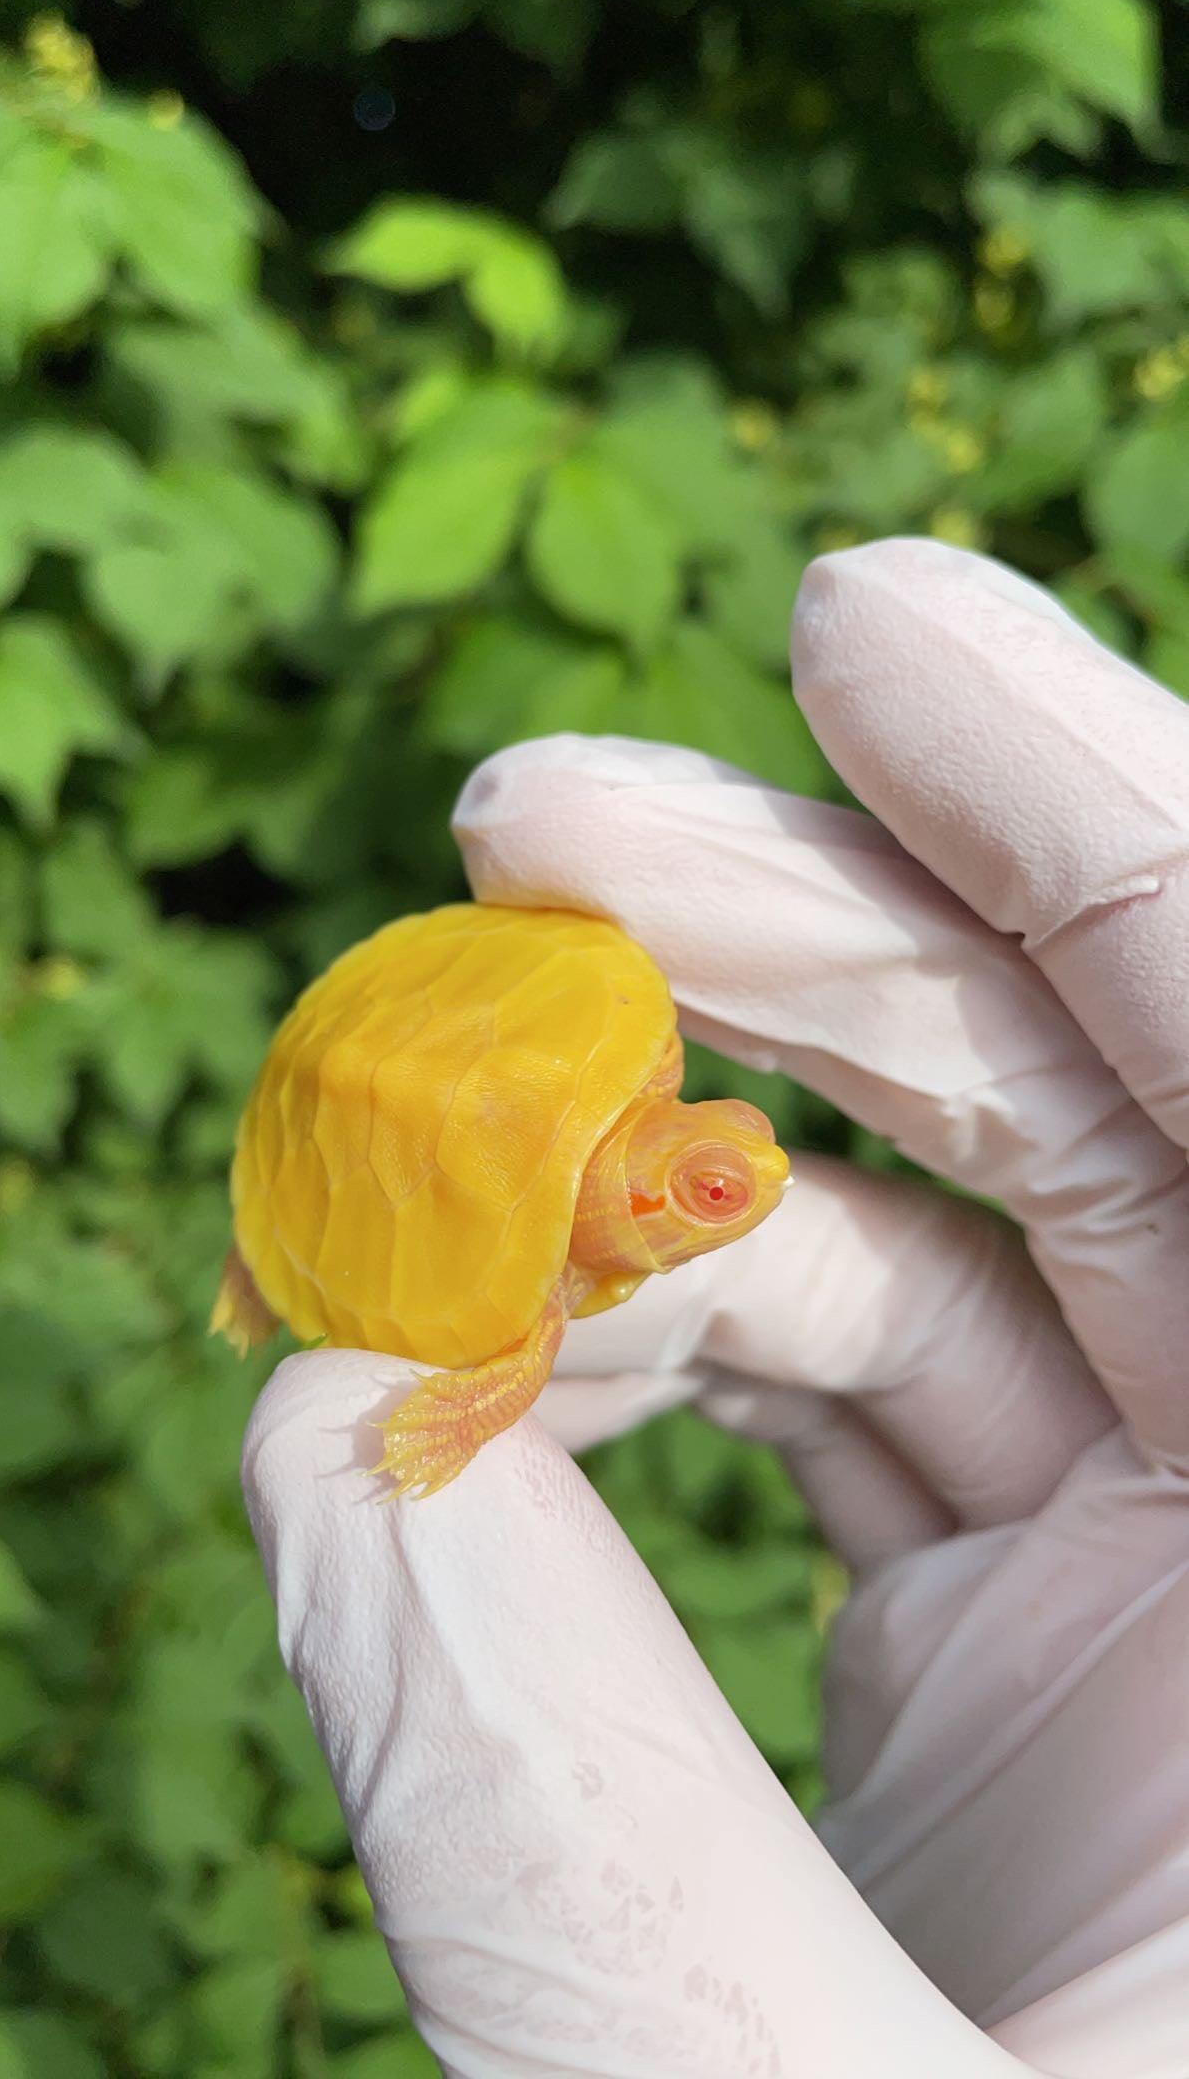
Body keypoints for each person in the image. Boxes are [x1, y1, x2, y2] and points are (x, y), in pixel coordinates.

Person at [241, 539, 1189, 2078]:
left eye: (726, 1163)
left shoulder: (651, 1114)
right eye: (698, 1194)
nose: (743, 1182)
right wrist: (447, 1415)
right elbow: (506, 1335)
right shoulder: (544, 1274)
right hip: (402, 1153)